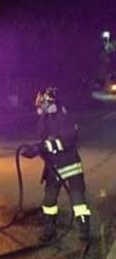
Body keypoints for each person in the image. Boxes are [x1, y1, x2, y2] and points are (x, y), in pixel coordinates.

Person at [21, 87, 92, 242]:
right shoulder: (44, 120)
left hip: (70, 167)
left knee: (78, 201)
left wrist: (43, 147)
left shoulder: (64, 117)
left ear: (49, 101)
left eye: (42, 102)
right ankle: (49, 231)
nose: (39, 106)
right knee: (49, 202)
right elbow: (44, 142)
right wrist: (33, 151)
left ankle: (85, 232)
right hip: (53, 168)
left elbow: (67, 140)